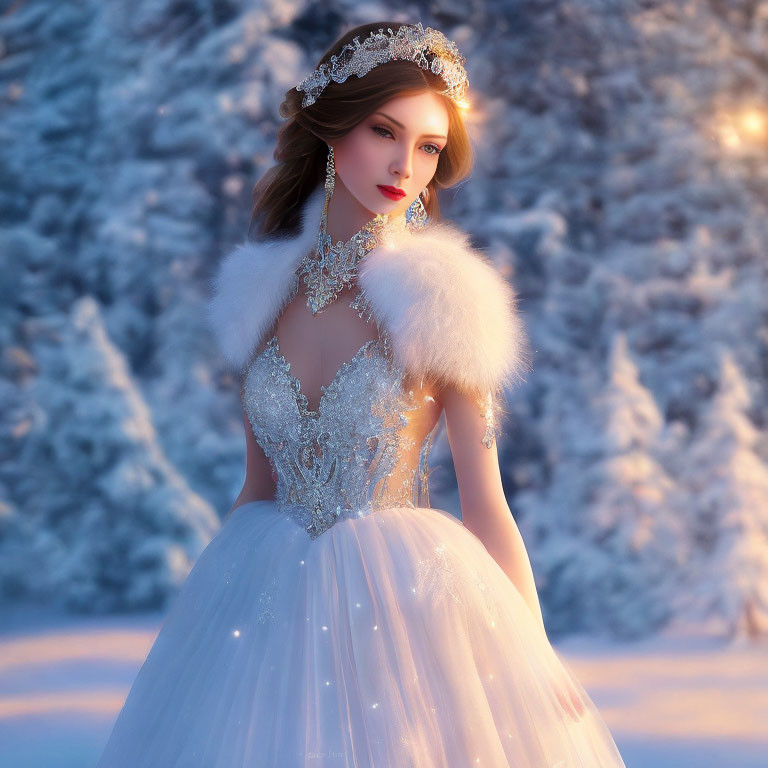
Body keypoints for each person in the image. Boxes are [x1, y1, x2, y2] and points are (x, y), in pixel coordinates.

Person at [95, 21, 627, 767]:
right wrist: (209, 618)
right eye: (385, 131)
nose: (405, 164)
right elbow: (257, 488)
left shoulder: (443, 301)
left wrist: (531, 656)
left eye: (429, 146)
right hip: (264, 604)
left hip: (405, 615)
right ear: (333, 126)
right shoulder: (258, 296)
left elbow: (486, 505)